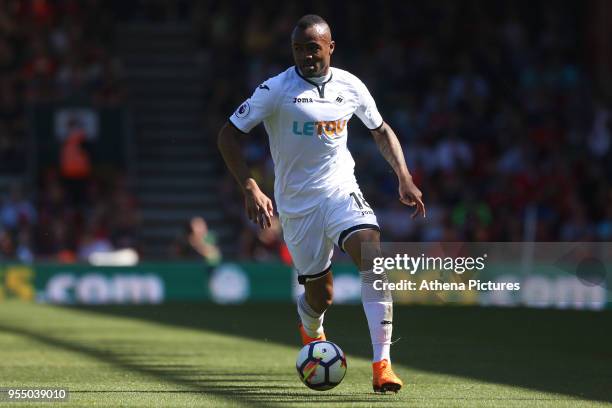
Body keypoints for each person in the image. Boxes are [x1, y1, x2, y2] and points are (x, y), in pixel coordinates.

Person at [217, 14, 425, 393]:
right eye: (298, 49)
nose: (305, 56)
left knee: (372, 256)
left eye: (312, 48)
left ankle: (382, 365)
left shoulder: (351, 86)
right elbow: (228, 135)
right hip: (297, 205)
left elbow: (381, 130)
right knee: (321, 295)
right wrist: (250, 186)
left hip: (340, 189)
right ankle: (311, 327)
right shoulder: (276, 89)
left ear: (330, 47)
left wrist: (404, 175)